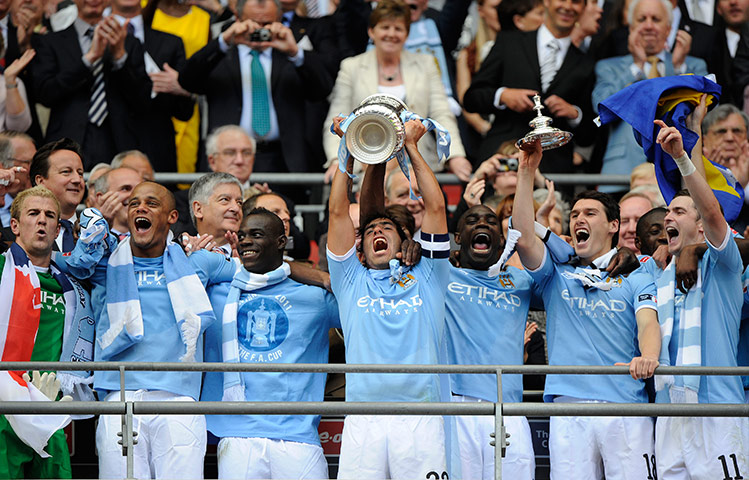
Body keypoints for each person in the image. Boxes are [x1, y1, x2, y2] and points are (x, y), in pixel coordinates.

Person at [61, 181, 239, 479]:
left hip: (179, 401)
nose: (141, 208)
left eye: (152, 203)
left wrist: (326, 279)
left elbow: (264, 272)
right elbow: (60, 264)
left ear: (171, 217)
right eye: (134, 203)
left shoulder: (198, 261)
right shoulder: (106, 262)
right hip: (120, 398)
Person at [512, 138, 661, 479]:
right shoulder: (555, 274)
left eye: (590, 213)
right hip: (568, 406)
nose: (579, 218)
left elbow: (648, 322)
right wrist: (526, 171)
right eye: (575, 214)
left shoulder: (637, 273)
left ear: (613, 226)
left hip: (625, 405)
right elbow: (523, 237)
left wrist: (648, 355)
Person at [327, 118, 450, 478]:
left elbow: (437, 208)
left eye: (387, 228)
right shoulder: (350, 279)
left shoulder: (429, 275)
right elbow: (338, 212)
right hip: (363, 420)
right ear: (360, 250)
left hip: (421, 418)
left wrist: (411, 145)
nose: (377, 230)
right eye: (369, 231)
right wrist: (348, 153)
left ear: (404, 242)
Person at [202, 207, 340, 479]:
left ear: (281, 242)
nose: (245, 241)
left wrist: (320, 277)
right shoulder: (216, 290)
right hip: (238, 437)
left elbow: (362, 309)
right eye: (242, 235)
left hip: (299, 437)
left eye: (256, 234)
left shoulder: (313, 297)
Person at [652, 118, 749, 478]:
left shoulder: (724, 264)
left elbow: (712, 212)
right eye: (666, 213)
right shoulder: (656, 275)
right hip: (670, 413)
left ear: (699, 224)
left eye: (678, 211)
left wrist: (681, 158)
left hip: (718, 410)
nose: (667, 219)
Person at [0, 186, 94, 479]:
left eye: (49, 215)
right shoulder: (2, 268)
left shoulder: (76, 289)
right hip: (3, 406)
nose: (42, 220)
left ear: (57, 229)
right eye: (33, 213)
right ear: (15, 225)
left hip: (50, 406)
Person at [180, 0, 334, 175]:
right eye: (253, 23)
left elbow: (322, 90)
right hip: (229, 159)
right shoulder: (221, 53)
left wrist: (295, 53)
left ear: (280, 19)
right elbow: (187, 80)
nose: (260, 29)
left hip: (282, 159)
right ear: (237, 18)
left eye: (268, 24)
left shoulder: (289, 50)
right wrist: (223, 42)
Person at [322, 0, 470, 181]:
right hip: (366, 162)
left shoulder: (426, 64)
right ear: (371, 31)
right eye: (385, 27)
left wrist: (455, 155)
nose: (391, 34)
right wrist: (338, 160)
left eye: (398, 29)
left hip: (418, 163)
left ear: (407, 34)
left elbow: (441, 114)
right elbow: (338, 117)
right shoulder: (351, 66)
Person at [445, 204, 540, 479]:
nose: (482, 224)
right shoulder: (441, 276)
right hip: (455, 407)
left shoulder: (521, 280)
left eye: (490, 221)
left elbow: (562, 283)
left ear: (501, 239)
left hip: (509, 410)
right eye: (472, 220)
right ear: (458, 236)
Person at [463, 0, 595, 176]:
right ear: (547, 2)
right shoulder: (510, 42)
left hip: (553, 170)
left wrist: (574, 114)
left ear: (583, 8)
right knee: (494, 203)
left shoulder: (586, 63)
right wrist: (503, 95)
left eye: (577, 2)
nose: (568, 7)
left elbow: (590, 132)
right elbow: (471, 98)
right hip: (505, 159)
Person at [592, 0, 707, 193]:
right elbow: (603, 107)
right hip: (622, 172)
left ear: (669, 28)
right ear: (631, 26)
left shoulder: (692, 66)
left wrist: (676, 70)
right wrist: (637, 68)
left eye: (655, 19)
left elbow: (699, 112)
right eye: (641, 19)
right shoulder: (609, 67)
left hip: (678, 167)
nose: (648, 25)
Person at [30, 0, 152, 169]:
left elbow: (143, 99)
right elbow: (45, 93)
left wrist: (120, 57)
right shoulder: (51, 42)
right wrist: (88, 60)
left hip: (119, 141)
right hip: (67, 139)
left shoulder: (129, 43)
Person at [109, 0, 194, 173]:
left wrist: (184, 89)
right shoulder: (93, 38)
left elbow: (184, 112)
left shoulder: (171, 43)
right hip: (105, 147)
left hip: (156, 152)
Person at [143, 0, 210, 175]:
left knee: (182, 172)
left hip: (185, 104)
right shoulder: (143, 7)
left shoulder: (203, 17)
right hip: (150, 103)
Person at [28, 138, 84, 253]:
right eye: (66, 172)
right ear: (40, 181)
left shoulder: (98, 232)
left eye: (80, 173)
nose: (77, 180)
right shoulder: (14, 237)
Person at [188, 172, 243, 255]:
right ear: (198, 209)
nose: (236, 208)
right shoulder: (179, 254)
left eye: (239, 202)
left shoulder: (251, 255)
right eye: (225, 200)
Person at [90, 166, 143, 239]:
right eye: (125, 189)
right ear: (101, 198)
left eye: (138, 189)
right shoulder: (85, 237)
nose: (135, 195)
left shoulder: (158, 240)